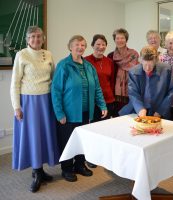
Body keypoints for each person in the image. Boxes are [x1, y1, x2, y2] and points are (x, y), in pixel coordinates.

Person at [51, 35, 107, 182]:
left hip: (86, 111)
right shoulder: (63, 65)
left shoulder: (89, 66)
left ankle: (80, 164)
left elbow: (97, 88)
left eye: (83, 45)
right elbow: (55, 91)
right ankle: (67, 168)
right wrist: (59, 113)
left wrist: (102, 104)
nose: (80, 47)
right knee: (68, 141)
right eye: (77, 44)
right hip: (68, 113)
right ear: (70, 47)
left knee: (82, 140)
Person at [10, 26, 59, 192]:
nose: (36, 39)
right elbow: (15, 83)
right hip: (28, 102)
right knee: (33, 137)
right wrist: (17, 107)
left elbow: (54, 78)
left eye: (39, 36)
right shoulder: (21, 55)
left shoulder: (49, 54)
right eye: (32, 37)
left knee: (44, 136)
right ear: (27, 39)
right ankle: (36, 172)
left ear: (43, 38)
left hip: (46, 100)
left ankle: (41, 169)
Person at [119, 45, 173, 119]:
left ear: (155, 61)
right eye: (145, 64)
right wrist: (140, 109)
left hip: (159, 111)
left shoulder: (166, 70)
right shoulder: (133, 71)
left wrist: (161, 111)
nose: (148, 68)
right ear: (141, 60)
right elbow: (133, 93)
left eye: (150, 65)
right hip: (137, 110)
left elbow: (171, 91)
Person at [84, 34, 115, 168]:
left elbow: (112, 81)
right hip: (94, 101)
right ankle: (91, 157)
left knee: (106, 130)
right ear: (92, 45)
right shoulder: (86, 61)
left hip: (109, 99)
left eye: (103, 44)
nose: (101, 47)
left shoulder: (109, 62)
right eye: (98, 44)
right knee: (93, 130)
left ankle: (103, 155)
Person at [107, 28, 139, 116]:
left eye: (122, 38)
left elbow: (137, 73)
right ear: (114, 40)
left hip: (131, 92)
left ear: (126, 39)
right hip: (115, 95)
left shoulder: (134, 54)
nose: (120, 40)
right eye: (117, 38)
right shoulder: (110, 56)